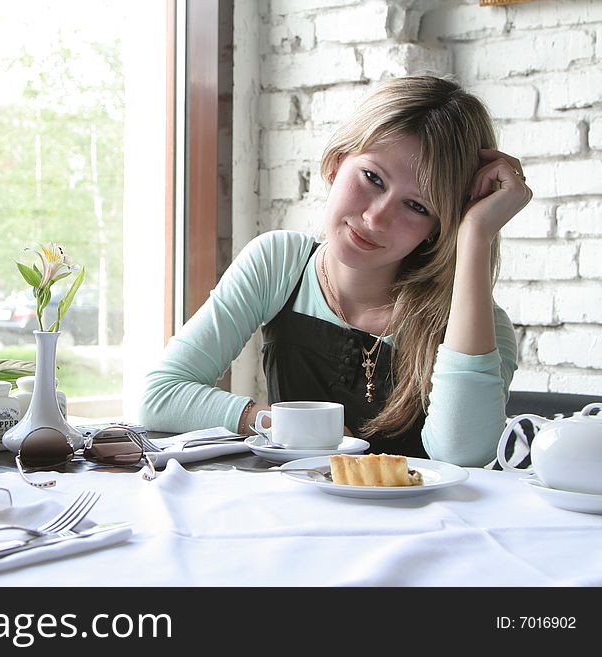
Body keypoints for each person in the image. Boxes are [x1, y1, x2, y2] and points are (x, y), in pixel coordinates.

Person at [138, 75, 531, 467]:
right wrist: (283, 424)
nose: (376, 218)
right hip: (293, 518)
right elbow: (160, 396)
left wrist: (476, 234)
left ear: (439, 229)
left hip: (421, 527)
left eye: (418, 207)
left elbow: (462, 455)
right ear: (335, 162)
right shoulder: (280, 263)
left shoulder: (479, 328)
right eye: (372, 178)